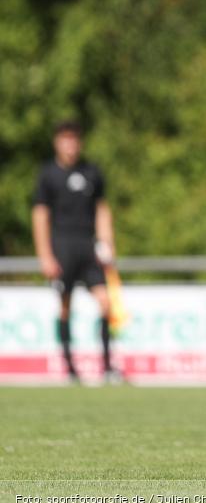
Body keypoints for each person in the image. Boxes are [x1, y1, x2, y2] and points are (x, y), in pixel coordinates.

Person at [32, 121, 120, 384]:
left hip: (88, 246)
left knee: (105, 303)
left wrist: (108, 241)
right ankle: (70, 369)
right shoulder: (48, 175)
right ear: (57, 142)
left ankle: (106, 367)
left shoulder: (92, 172)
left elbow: (102, 209)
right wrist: (45, 255)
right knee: (65, 306)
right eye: (65, 139)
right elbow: (40, 216)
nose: (70, 145)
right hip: (62, 246)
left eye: (74, 139)